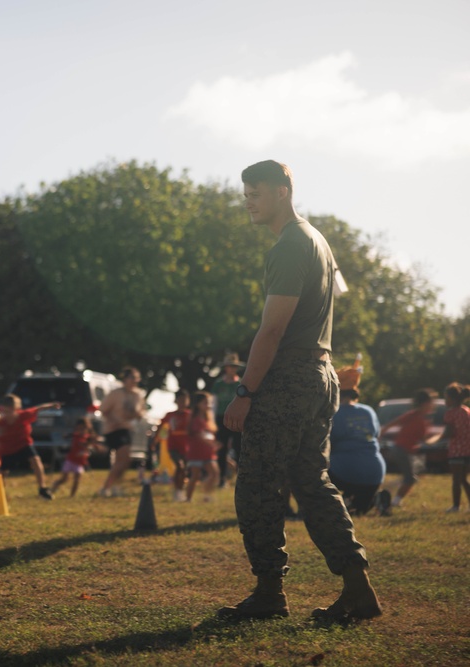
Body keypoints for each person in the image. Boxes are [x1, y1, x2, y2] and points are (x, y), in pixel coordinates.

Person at [219, 161, 380, 623]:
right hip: (320, 374)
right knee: (311, 483)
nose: (247, 200)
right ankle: (357, 587)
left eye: (256, 192)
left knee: (257, 485)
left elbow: (271, 331)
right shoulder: (317, 240)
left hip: (289, 379)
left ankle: (269, 592)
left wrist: (245, 391)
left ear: (283, 192)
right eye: (245, 192)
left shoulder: (290, 246)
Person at [0, 393, 61, 500]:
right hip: (7, 449)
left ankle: (42, 488)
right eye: (4, 411)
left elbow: (38, 408)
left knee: (35, 460)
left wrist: (51, 405)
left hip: (23, 445)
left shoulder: (23, 416)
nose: (6, 414)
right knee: (1, 472)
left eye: (9, 411)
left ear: (15, 409)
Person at [328, 381, 386, 517]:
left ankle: (336, 503)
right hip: (375, 473)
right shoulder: (369, 410)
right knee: (357, 512)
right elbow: (376, 435)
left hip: (344, 471)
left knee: (315, 478)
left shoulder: (334, 413)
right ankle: (375, 499)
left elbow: (326, 443)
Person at [379, 389, 437, 508]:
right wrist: (378, 438)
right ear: (424, 403)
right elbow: (391, 424)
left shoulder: (421, 418)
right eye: (431, 402)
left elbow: (426, 441)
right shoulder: (414, 416)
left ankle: (388, 492)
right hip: (401, 450)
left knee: (411, 477)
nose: (433, 405)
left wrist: (439, 437)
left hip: (406, 451)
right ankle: (393, 501)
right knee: (410, 479)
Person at [96, 367, 146, 497]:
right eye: (132, 378)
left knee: (124, 461)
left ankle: (113, 486)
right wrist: (114, 420)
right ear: (125, 379)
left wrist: (137, 414)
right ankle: (107, 487)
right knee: (123, 458)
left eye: (137, 378)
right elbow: (103, 410)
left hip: (128, 428)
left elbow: (141, 412)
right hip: (114, 429)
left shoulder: (138, 395)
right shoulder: (115, 393)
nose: (135, 381)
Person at [426, 383, 470, 513]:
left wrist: (435, 439)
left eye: (446, 398)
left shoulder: (451, 414)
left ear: (453, 399)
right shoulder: (467, 410)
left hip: (457, 450)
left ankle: (455, 506)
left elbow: (449, 433)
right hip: (468, 450)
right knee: (463, 479)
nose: (445, 401)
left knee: (456, 480)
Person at [211, 353, 244, 487]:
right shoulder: (218, 384)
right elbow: (214, 403)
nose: (232, 369)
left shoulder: (240, 383)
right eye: (230, 366)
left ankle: (240, 478)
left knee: (239, 448)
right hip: (220, 418)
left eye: (235, 367)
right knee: (221, 448)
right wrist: (212, 421)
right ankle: (221, 479)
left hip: (237, 418)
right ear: (226, 368)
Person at [50, 417, 101, 498]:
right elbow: (82, 444)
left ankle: (72, 496)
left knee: (77, 480)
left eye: (83, 428)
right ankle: (52, 489)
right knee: (64, 479)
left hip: (80, 462)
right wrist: (91, 442)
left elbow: (96, 446)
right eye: (79, 428)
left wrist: (95, 443)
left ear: (87, 428)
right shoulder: (76, 436)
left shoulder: (88, 437)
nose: (81, 430)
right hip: (70, 460)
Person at [185, 392, 219, 502]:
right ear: (198, 404)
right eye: (205, 403)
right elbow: (199, 435)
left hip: (208, 452)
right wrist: (212, 444)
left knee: (214, 473)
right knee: (195, 476)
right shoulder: (195, 419)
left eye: (209, 403)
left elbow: (208, 434)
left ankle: (206, 495)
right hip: (197, 452)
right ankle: (188, 498)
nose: (208, 405)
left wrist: (212, 444)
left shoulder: (207, 419)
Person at [157, 390, 191, 501]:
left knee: (184, 470)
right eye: (180, 399)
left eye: (184, 400)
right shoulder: (170, 415)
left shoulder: (190, 415)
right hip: (173, 446)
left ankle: (180, 490)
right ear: (176, 401)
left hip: (186, 447)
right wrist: (155, 441)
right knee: (179, 466)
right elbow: (160, 429)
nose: (182, 402)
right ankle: (177, 490)